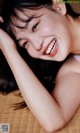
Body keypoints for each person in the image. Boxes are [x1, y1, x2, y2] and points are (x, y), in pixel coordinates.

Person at [0, 0, 80, 132]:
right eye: (25, 43)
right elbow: (53, 121)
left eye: (35, 26)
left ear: (59, 6)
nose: (37, 46)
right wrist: (8, 48)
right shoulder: (73, 70)